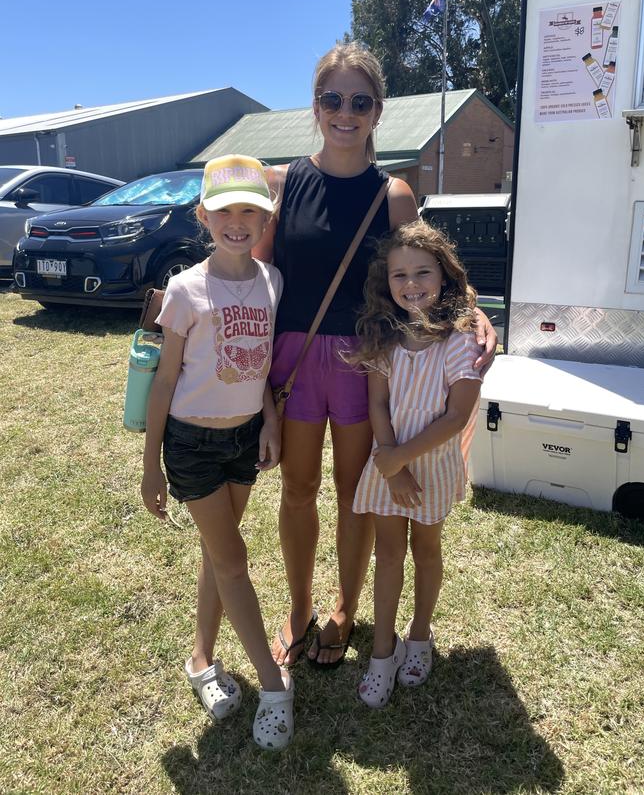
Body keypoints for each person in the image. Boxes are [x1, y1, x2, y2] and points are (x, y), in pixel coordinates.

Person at [254, 42, 497, 669]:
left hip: (368, 361)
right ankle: (299, 607)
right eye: (332, 99)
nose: (345, 112)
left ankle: (345, 609)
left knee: (356, 491)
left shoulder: (392, 195)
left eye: (359, 101)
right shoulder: (282, 185)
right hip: (297, 360)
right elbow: (254, 283)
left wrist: (475, 315)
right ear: (315, 106)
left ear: (377, 111)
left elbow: (429, 268)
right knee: (299, 489)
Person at [140, 154, 294, 750]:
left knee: (217, 553)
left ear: (265, 220)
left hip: (244, 438)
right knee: (233, 561)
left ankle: (201, 659)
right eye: (226, 210)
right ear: (203, 215)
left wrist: (270, 421)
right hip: (193, 444)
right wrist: (151, 463)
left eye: (251, 211)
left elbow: (263, 367)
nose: (238, 221)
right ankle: (273, 683)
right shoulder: (185, 289)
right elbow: (164, 378)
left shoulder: (271, 282)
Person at [353, 221, 482, 708]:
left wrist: (400, 460)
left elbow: (456, 416)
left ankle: (420, 635)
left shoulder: (459, 339)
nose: (411, 285)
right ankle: (382, 651)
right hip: (389, 465)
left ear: (444, 276)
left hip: (430, 466)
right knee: (388, 555)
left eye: (422, 272)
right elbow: (378, 406)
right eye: (398, 275)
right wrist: (391, 466)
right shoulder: (384, 338)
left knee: (426, 551)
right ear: (385, 282)